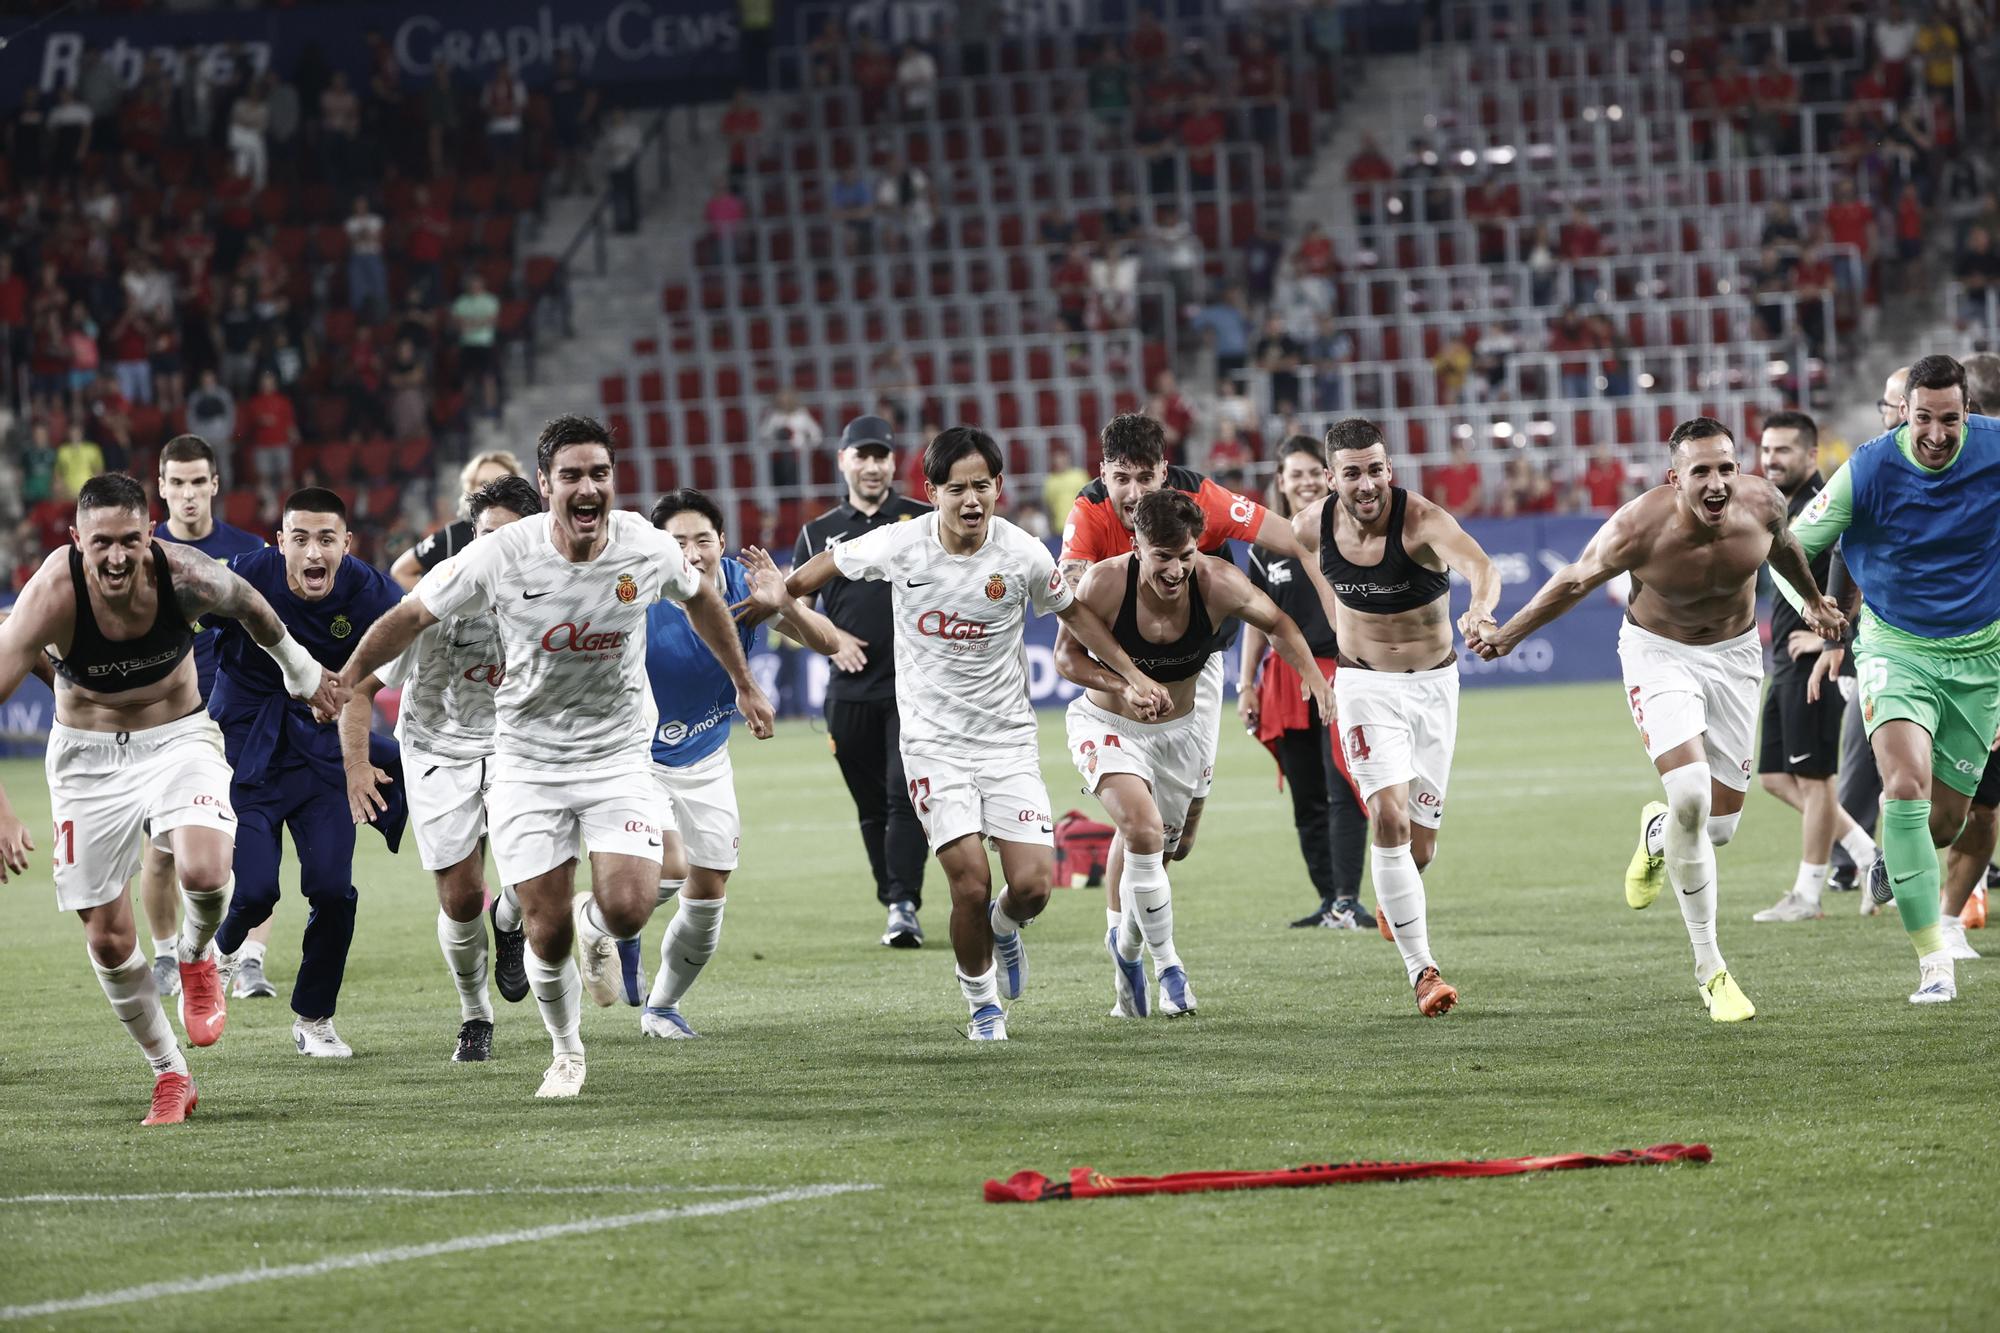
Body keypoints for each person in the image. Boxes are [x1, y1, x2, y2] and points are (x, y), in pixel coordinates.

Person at [339, 415, 776, 1097]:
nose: (587, 487)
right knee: (542, 932)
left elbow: (703, 602)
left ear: (612, 481)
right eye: (571, 474)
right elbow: (411, 614)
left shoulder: (646, 546)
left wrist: (745, 682)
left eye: (598, 473)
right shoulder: (500, 554)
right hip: (527, 762)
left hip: (617, 754)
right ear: (546, 485)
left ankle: (595, 926)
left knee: (630, 903)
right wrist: (347, 677)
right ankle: (567, 1052)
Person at [785, 427, 1170, 1041]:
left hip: (1007, 741)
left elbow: (1072, 613)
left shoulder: (1023, 555)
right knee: (968, 880)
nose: (971, 499)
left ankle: (1004, 928)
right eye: (956, 488)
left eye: (982, 486)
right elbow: (812, 575)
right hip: (933, 744)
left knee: (1033, 888)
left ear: (998, 487)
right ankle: (983, 1006)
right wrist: (779, 603)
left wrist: (1128, 677)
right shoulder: (900, 543)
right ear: (931, 491)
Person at [1470, 418, 1844, 1020]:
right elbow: (1573, 580)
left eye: (1726, 467)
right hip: (1658, 654)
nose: (1718, 481)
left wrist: (1815, 602)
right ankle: (1711, 967)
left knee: (1715, 830)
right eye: (1702, 471)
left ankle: (1656, 832)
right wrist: (1510, 635)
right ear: (1676, 479)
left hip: (1736, 657)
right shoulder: (1637, 526)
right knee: (1691, 793)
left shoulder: (1763, 503)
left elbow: (1786, 548)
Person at [0, 473, 343, 1124]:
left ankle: (194, 953)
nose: (118, 556)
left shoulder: (186, 575)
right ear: (77, 540)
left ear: (150, 533)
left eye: (131, 539)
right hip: (86, 760)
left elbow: (252, 607)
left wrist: (303, 675)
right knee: (105, 936)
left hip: (178, 737)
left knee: (206, 869)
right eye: (101, 543)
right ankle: (170, 1072)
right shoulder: (49, 593)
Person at [1057, 413, 1343, 972]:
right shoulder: (1088, 514)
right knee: (1138, 825)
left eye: (1147, 477)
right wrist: (1129, 677)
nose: (1136, 494)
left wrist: (1338, 616)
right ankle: (1127, 946)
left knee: (1177, 840)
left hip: (1197, 659)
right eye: (1122, 479)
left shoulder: (1202, 498)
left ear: (1166, 470)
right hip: (1123, 664)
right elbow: (1072, 611)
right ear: (1102, 475)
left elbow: (1290, 538)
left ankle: (1133, 918)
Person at [1788, 355, 2000, 1003]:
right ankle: (1935, 963)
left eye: (1951, 419)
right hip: (1894, 647)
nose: (1936, 434)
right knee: (1904, 785)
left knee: (1946, 821)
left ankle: (1892, 853)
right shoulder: (1872, 466)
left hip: (1980, 658)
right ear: (1903, 412)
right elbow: (1790, 542)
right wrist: (1812, 605)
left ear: (1970, 413)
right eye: (1923, 418)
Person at [1293, 420, 1503, 1017]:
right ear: (1331, 478)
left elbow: (1483, 568)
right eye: (1352, 472)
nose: (1366, 484)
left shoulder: (1422, 522)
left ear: (1391, 469)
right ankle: (1423, 972)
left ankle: (1396, 894)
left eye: (1376, 469)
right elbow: (1294, 566)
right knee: (1386, 816)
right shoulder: (1311, 527)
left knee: (1421, 847)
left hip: (1435, 688)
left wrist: (1479, 611)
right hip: (1363, 686)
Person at [338, 476, 541, 1063]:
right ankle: (475, 1016)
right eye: (480, 537)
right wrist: (356, 763)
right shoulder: (434, 598)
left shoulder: (550, 596)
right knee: (459, 900)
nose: (487, 550)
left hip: (513, 747)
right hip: (435, 750)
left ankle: (509, 926)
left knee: (534, 882)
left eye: (503, 539)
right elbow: (359, 688)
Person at [209, 487, 409, 1058]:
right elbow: (185, 618)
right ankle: (216, 957)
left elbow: (411, 643)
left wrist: (356, 733)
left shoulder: (371, 592)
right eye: (300, 539)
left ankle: (314, 1019)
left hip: (322, 753)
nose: (313, 552)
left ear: (347, 543)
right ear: (280, 544)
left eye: (326, 539)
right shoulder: (247, 574)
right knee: (255, 892)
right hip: (249, 749)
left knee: (332, 890)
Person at [635, 490, 841, 1039]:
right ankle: (611, 925)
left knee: (708, 895)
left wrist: (785, 603)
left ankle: (661, 1008)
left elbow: (829, 644)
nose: (693, 552)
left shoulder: (742, 585)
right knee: (667, 868)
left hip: (705, 757)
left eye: (703, 539)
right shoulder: (635, 589)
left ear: (722, 542)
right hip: (635, 758)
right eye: (678, 542)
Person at [791, 415, 933, 947]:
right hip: (848, 693)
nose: (872, 466)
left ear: (894, 463)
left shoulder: (922, 519)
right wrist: (834, 640)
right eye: (862, 455)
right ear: (843, 460)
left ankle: (903, 903)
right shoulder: (817, 531)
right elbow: (789, 614)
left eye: (881, 456)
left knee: (904, 796)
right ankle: (894, 899)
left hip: (912, 689)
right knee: (871, 806)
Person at [140, 436, 271, 1004]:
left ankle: (248, 961)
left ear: (215, 484)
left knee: (250, 840)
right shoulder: (138, 551)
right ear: (161, 487)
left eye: (200, 482)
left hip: (240, 715)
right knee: (163, 848)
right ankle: (167, 956)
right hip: (165, 721)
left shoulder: (251, 550)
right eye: (178, 483)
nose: (189, 494)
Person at [1748, 411, 1878, 922]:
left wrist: (1837, 638)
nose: (1771, 460)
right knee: (1777, 778)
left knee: (1817, 779)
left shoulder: (1823, 505)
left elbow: (1863, 568)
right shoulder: (1775, 507)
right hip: (1783, 661)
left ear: (1810, 454)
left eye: (1783, 450)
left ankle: (1808, 894)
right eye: (1765, 450)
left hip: (1816, 664)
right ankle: (1869, 855)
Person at [1241, 436, 1373, 929]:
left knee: (1344, 786)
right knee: (1306, 795)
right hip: (1284, 677)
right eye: (1295, 474)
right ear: (1280, 482)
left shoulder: (1350, 531)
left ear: (1330, 476)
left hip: (1342, 672)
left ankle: (1346, 898)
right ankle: (1326, 900)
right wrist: (1246, 684)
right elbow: (1256, 618)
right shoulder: (1264, 546)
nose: (1306, 481)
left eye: (1314, 472)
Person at [389, 451, 523, 591]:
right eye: (483, 482)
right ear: (470, 489)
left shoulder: (532, 530)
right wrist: (438, 602)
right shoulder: (452, 536)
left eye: (501, 481)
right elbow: (400, 571)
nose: (492, 489)